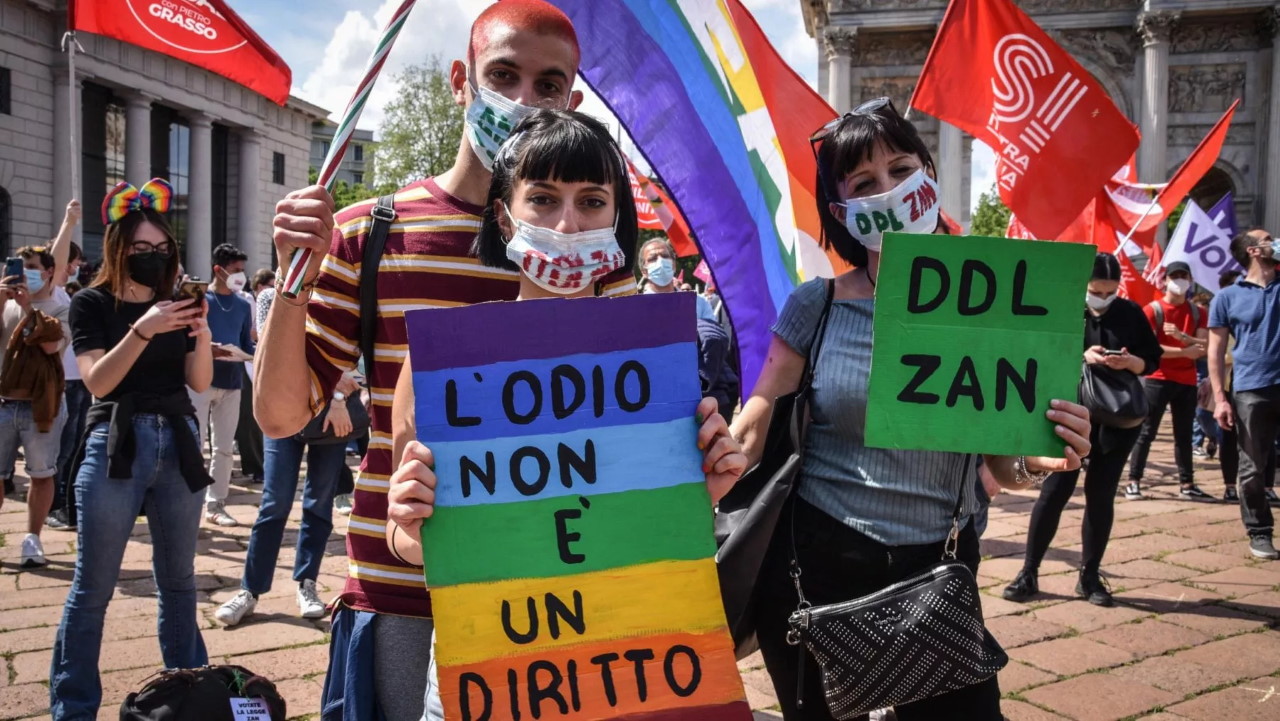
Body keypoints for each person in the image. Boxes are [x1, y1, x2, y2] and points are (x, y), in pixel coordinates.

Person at [258, 3, 633, 718]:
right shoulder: (368, 233)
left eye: (548, 85)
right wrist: (292, 279)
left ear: (572, 103)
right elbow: (280, 415)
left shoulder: (594, 256)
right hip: (402, 593)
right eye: (503, 75)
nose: (523, 101)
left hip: (558, 592)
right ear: (462, 81)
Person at [729, 99, 1093, 721]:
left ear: (929, 172)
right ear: (842, 211)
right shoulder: (816, 305)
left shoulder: (993, 303)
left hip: (939, 568)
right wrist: (704, 452)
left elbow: (1002, 467)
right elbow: (756, 420)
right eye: (863, 183)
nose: (889, 191)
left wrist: (1037, 461)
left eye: (900, 169)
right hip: (815, 568)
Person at [382, 108, 746, 720]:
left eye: (592, 201)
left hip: (631, 672)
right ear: (505, 216)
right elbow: (404, 540)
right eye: (544, 199)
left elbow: (647, 532)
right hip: (493, 677)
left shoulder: (658, 362)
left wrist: (698, 495)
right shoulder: (440, 367)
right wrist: (416, 528)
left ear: (617, 220)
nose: (568, 223)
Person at [50, 179, 214, 720]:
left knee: (180, 583)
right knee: (93, 588)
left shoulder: (175, 303)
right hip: (116, 443)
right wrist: (142, 329)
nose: (153, 257)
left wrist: (201, 331)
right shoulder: (91, 303)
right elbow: (98, 381)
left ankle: (191, 699)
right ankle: (74, 707)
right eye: (142, 248)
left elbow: (198, 380)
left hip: (178, 441)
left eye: (162, 248)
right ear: (119, 247)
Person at [1003, 253, 1161, 607]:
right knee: (1054, 491)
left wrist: (1129, 361)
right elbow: (1038, 352)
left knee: (1101, 495)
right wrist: (1081, 355)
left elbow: (1151, 360)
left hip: (1118, 417)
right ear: (1083, 287)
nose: (1102, 298)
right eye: (1096, 291)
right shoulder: (1065, 310)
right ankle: (1028, 571)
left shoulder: (1130, 313)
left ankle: (1090, 576)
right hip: (1067, 415)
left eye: (1109, 291)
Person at [215, 276, 356, 626]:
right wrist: (332, 377)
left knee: (318, 503)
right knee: (274, 503)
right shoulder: (271, 296)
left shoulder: (341, 290)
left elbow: (351, 356)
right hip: (282, 409)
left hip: (330, 411)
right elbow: (273, 352)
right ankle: (250, 589)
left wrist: (339, 397)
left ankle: (307, 583)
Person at [1209, 227, 1280, 559]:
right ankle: (1259, 532)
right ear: (1253, 250)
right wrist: (1220, 399)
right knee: (1252, 467)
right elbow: (1215, 351)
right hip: (1250, 390)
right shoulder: (1226, 297)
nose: (1275, 242)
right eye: (1269, 239)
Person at [0, 245, 72, 567]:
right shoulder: (5, 304)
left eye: (31, 266)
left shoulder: (61, 307)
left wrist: (27, 307)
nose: (24, 272)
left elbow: (51, 345)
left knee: (41, 474)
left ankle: (33, 538)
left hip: (42, 405)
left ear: (48, 272)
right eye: (19, 266)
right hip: (3, 401)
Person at [1125, 261, 1211, 501]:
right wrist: (1185, 350)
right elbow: (1149, 348)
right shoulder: (1153, 310)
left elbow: (1204, 345)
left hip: (1186, 380)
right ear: (1164, 281)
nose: (1179, 280)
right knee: (1146, 432)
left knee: (1184, 435)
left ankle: (1187, 483)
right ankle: (1133, 481)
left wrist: (1183, 338)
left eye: (1184, 276)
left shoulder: (1198, 312)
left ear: (1190, 280)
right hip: (1157, 379)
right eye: (1175, 276)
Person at [192, 243, 254, 527]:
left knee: (224, 447)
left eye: (242, 270)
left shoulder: (242, 304)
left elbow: (245, 343)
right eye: (236, 270)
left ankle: (216, 503)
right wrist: (208, 349)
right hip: (200, 381)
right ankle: (190, 501)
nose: (241, 275)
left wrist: (251, 353)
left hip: (232, 381)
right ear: (218, 270)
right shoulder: (200, 300)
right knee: (195, 444)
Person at [47, 201, 88, 532]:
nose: (72, 268)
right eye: (71, 263)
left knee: (73, 447)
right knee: (60, 449)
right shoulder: (50, 293)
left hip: (79, 380)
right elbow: (56, 262)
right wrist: (69, 222)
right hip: (62, 382)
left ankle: (64, 500)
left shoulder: (65, 296)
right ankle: (52, 504)